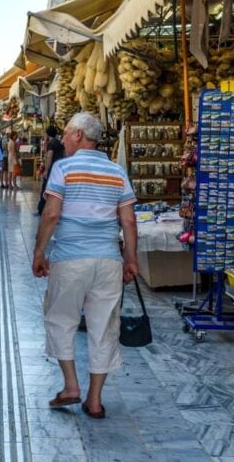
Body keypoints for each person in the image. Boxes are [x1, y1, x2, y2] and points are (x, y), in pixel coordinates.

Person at [32, 111, 138, 419]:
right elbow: (128, 221)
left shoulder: (63, 168)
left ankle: (70, 386)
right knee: (103, 327)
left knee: (60, 318)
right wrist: (130, 260)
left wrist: (39, 252)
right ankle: (94, 400)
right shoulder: (117, 171)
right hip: (108, 261)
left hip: (70, 258)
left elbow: (51, 214)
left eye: (66, 134)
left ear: (78, 135)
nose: (62, 139)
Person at [37, 125, 64, 215]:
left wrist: (46, 170)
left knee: (45, 188)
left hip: (52, 168)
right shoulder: (59, 142)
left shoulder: (51, 143)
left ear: (47, 134)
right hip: (59, 169)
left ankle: (41, 210)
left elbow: (49, 156)